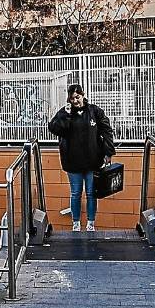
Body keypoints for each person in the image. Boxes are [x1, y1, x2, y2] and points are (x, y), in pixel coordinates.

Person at [48, 84, 115, 232]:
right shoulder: (65, 112)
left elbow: (106, 130)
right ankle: (76, 223)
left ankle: (91, 224)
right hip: (73, 162)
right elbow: (53, 128)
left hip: (93, 160)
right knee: (76, 193)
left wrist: (108, 152)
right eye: (72, 98)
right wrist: (65, 115)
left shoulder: (94, 111)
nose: (75, 101)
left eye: (77, 97)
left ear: (83, 95)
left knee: (91, 193)